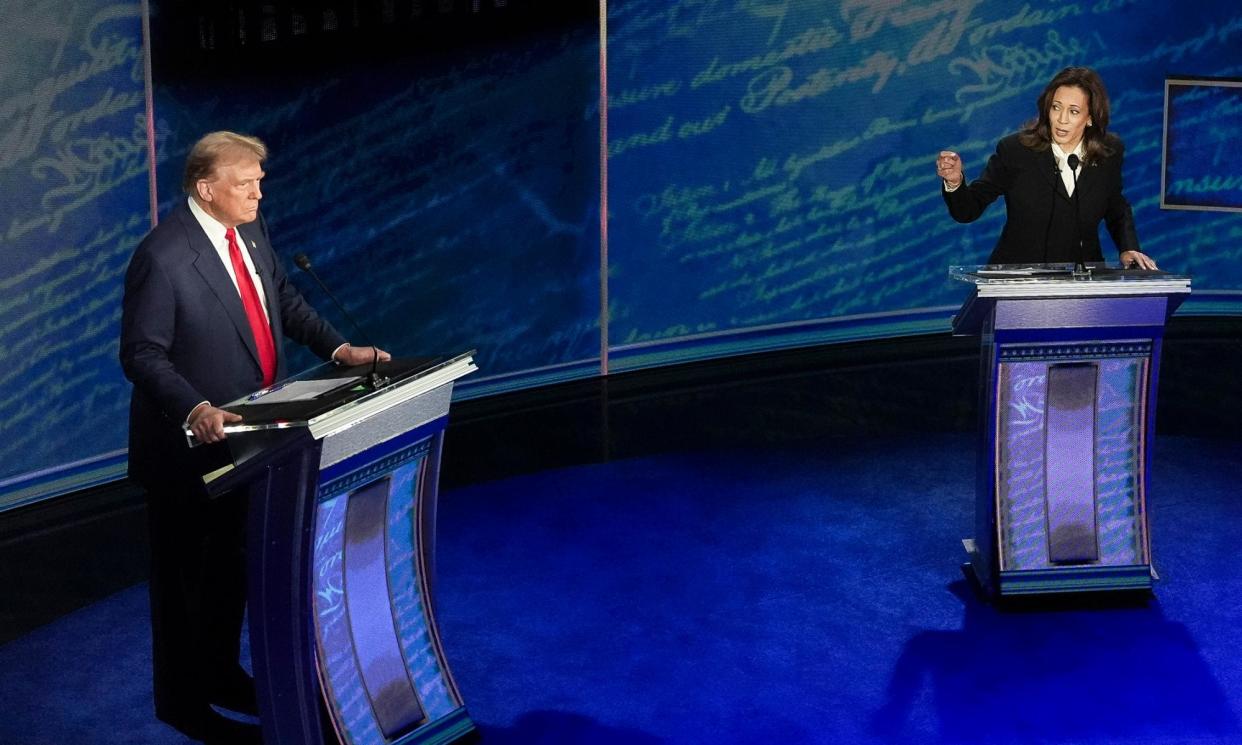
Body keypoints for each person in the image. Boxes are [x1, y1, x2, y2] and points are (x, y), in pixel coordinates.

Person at [120, 131, 389, 743]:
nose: (258, 194)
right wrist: (195, 408)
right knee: (185, 583)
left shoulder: (250, 233)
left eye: (260, 183)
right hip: (188, 453)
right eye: (246, 185)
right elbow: (141, 353)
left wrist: (339, 349)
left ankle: (218, 673)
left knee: (230, 573)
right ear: (205, 188)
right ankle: (183, 704)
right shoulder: (162, 257)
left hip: (258, 440)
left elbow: (283, 302)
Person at [935, 66, 1158, 269]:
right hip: (1018, 278)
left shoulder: (1110, 151)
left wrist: (1128, 247)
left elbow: (1115, 206)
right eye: (1056, 107)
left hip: (1081, 279)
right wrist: (955, 182)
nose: (1061, 119)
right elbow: (968, 210)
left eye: (1073, 111)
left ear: (1089, 118)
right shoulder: (1016, 151)